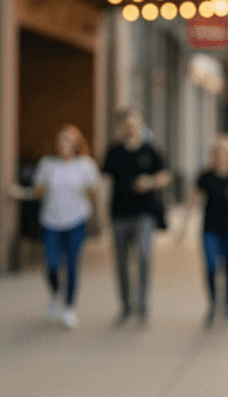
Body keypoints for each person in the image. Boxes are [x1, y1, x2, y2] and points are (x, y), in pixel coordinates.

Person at [27, 124, 100, 329]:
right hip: (51, 221)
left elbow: (94, 191)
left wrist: (91, 192)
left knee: (71, 264)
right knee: (51, 264)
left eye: (69, 141)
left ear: (76, 145)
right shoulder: (48, 165)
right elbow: (38, 189)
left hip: (76, 221)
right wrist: (36, 191)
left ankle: (69, 308)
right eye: (62, 141)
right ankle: (56, 292)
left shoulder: (85, 165)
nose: (65, 145)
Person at [101, 107, 170, 326]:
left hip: (144, 212)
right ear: (122, 127)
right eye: (127, 124)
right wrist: (100, 212)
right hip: (119, 213)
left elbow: (165, 175)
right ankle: (126, 307)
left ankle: (142, 303)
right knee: (121, 262)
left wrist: (149, 182)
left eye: (135, 123)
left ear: (140, 125)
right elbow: (104, 179)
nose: (131, 128)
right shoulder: (114, 151)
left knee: (143, 253)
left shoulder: (150, 151)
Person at [178, 135, 228, 327]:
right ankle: (213, 305)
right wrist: (183, 227)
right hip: (209, 229)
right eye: (219, 151)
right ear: (214, 155)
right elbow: (193, 201)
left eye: (227, 151)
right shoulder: (206, 176)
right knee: (211, 267)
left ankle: (227, 306)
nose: (222, 156)